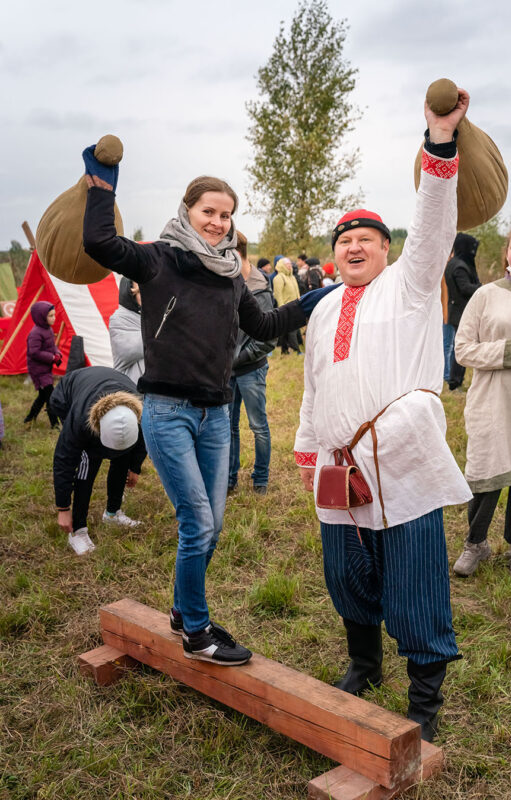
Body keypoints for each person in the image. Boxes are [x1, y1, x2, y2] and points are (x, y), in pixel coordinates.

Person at [294, 90, 472, 742]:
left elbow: (432, 225)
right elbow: (315, 383)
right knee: (345, 571)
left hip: (402, 458)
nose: (356, 247)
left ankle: (424, 700)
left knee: (416, 577)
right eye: (346, 241)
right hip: (339, 465)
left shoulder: (412, 282)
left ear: (387, 248)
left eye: (368, 238)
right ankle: (364, 663)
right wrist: (308, 446)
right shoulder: (319, 308)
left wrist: (439, 141)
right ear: (334, 254)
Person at [82, 157, 310, 666]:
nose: (218, 223)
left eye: (226, 215)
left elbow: (268, 324)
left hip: (216, 415)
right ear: (188, 211)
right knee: (197, 524)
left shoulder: (231, 275)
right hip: (168, 412)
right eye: (210, 211)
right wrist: (102, 186)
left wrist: (316, 300)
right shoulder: (158, 259)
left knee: (214, 524)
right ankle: (197, 633)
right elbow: (98, 244)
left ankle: (184, 612)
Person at [452, 218, 511, 579]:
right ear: (506, 251)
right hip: (493, 402)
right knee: (486, 476)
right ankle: (476, 543)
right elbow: (462, 350)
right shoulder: (485, 295)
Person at [50, 366, 146, 555]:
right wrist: (63, 508)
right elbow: (64, 461)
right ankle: (77, 530)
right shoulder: (79, 421)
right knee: (87, 463)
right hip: (68, 395)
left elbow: (143, 439)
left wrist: (134, 466)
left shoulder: (141, 410)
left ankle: (112, 513)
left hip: (106, 387)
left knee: (123, 457)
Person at [228, 232, 276, 495]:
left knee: (258, 426)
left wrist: (235, 359)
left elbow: (267, 339)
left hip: (251, 370)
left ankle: (261, 478)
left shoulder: (260, 288)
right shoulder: (227, 282)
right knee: (228, 425)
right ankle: (229, 478)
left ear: (236, 254)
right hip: (228, 370)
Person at [444, 233, 481, 390]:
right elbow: (465, 288)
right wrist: (484, 288)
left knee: (456, 346)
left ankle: (454, 380)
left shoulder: (453, 263)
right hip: (461, 312)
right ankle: (454, 382)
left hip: (457, 311)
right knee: (461, 348)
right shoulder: (459, 266)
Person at [24, 301, 61, 427]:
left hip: (45, 369)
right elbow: (34, 352)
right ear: (41, 316)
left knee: (42, 397)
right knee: (50, 396)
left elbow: (52, 346)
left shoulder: (48, 329)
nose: (54, 318)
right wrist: (51, 357)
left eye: (54, 315)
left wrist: (57, 354)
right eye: (50, 316)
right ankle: (54, 424)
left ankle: (29, 418)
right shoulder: (35, 333)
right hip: (38, 371)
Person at [109, 277, 145, 382]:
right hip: (133, 386)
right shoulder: (118, 319)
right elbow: (131, 349)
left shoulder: (153, 315)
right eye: (141, 293)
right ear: (130, 294)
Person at [273, 257, 302, 355]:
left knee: (286, 330)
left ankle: (284, 351)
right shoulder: (279, 278)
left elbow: (297, 291)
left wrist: (299, 302)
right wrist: (282, 309)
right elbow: (278, 294)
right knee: (292, 330)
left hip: (295, 307)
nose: (290, 266)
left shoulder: (292, 277)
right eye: (287, 264)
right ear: (282, 266)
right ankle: (297, 350)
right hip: (286, 308)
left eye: (290, 264)